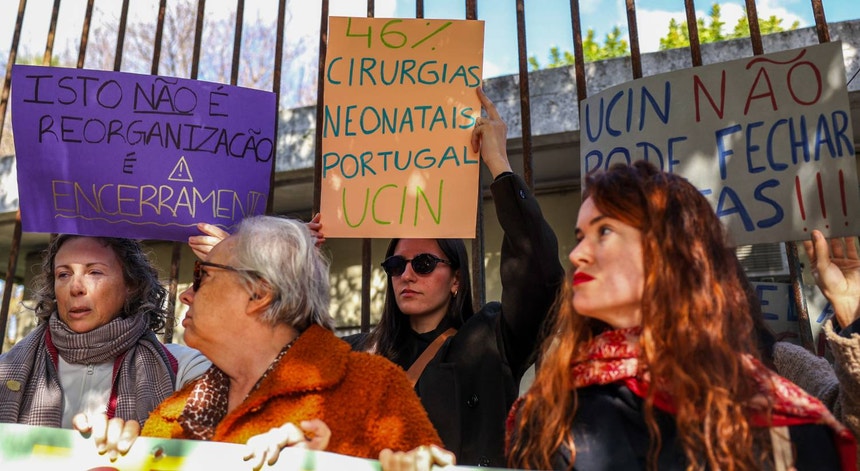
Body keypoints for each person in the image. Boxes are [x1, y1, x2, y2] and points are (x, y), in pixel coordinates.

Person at [506, 161, 856, 470]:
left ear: (670, 252)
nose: (578, 254)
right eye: (580, 236)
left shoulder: (787, 421)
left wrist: (852, 316)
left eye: (605, 232)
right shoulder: (547, 412)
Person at [80, 215, 442, 467]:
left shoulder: (374, 388)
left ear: (260, 294)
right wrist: (117, 458)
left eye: (202, 276)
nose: (187, 295)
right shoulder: (177, 409)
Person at [340, 85, 565, 468]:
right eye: (396, 266)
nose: (406, 274)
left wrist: (499, 166)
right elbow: (285, 350)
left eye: (424, 264)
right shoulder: (363, 351)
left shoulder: (492, 339)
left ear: (456, 279)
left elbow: (538, 273)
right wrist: (300, 250)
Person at [0, 235, 210, 428]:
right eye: (63, 274)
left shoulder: (180, 367)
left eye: (94, 272)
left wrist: (230, 270)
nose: (75, 288)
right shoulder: (7, 369)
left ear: (132, 284)